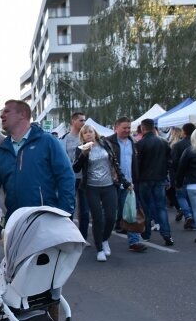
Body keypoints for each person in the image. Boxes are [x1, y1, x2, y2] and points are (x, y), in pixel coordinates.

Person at [0, 100, 75, 229]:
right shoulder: (2, 151)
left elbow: (66, 177)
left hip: (46, 221)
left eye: (6, 111)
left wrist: (64, 214)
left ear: (22, 114)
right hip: (15, 223)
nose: (1, 116)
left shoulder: (47, 141)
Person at [72, 125, 130, 262]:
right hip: (91, 188)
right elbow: (75, 168)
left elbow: (115, 164)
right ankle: (99, 249)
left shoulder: (105, 144)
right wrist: (83, 156)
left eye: (90, 132)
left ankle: (104, 239)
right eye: (85, 133)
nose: (88, 135)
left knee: (111, 217)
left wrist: (125, 182)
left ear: (95, 133)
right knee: (98, 218)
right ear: (82, 137)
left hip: (109, 186)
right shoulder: (81, 149)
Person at [105, 117, 147, 252]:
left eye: (129, 128)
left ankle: (134, 241)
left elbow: (136, 163)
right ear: (116, 127)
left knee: (131, 212)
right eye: (124, 128)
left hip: (128, 184)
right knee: (109, 214)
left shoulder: (133, 142)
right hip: (111, 183)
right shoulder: (108, 142)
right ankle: (103, 240)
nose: (127, 130)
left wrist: (136, 179)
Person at [135, 118, 174, 246]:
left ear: (143, 128)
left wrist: (136, 178)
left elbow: (137, 164)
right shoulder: (163, 142)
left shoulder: (140, 144)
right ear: (153, 127)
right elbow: (170, 161)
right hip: (160, 178)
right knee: (161, 207)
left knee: (145, 207)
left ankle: (146, 234)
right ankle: (167, 234)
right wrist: (166, 175)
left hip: (144, 179)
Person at [59, 112, 90, 240]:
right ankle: (69, 236)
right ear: (73, 121)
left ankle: (83, 237)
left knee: (84, 210)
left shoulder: (87, 138)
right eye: (81, 120)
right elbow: (61, 159)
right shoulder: (64, 139)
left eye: (84, 120)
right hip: (69, 178)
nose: (84, 123)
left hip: (84, 177)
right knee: (69, 208)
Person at [170, 123, 195, 229]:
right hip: (194, 175)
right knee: (192, 199)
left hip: (181, 174)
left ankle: (188, 215)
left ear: (184, 131)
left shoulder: (178, 145)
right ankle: (192, 220)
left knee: (181, 196)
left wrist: (174, 177)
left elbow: (174, 162)